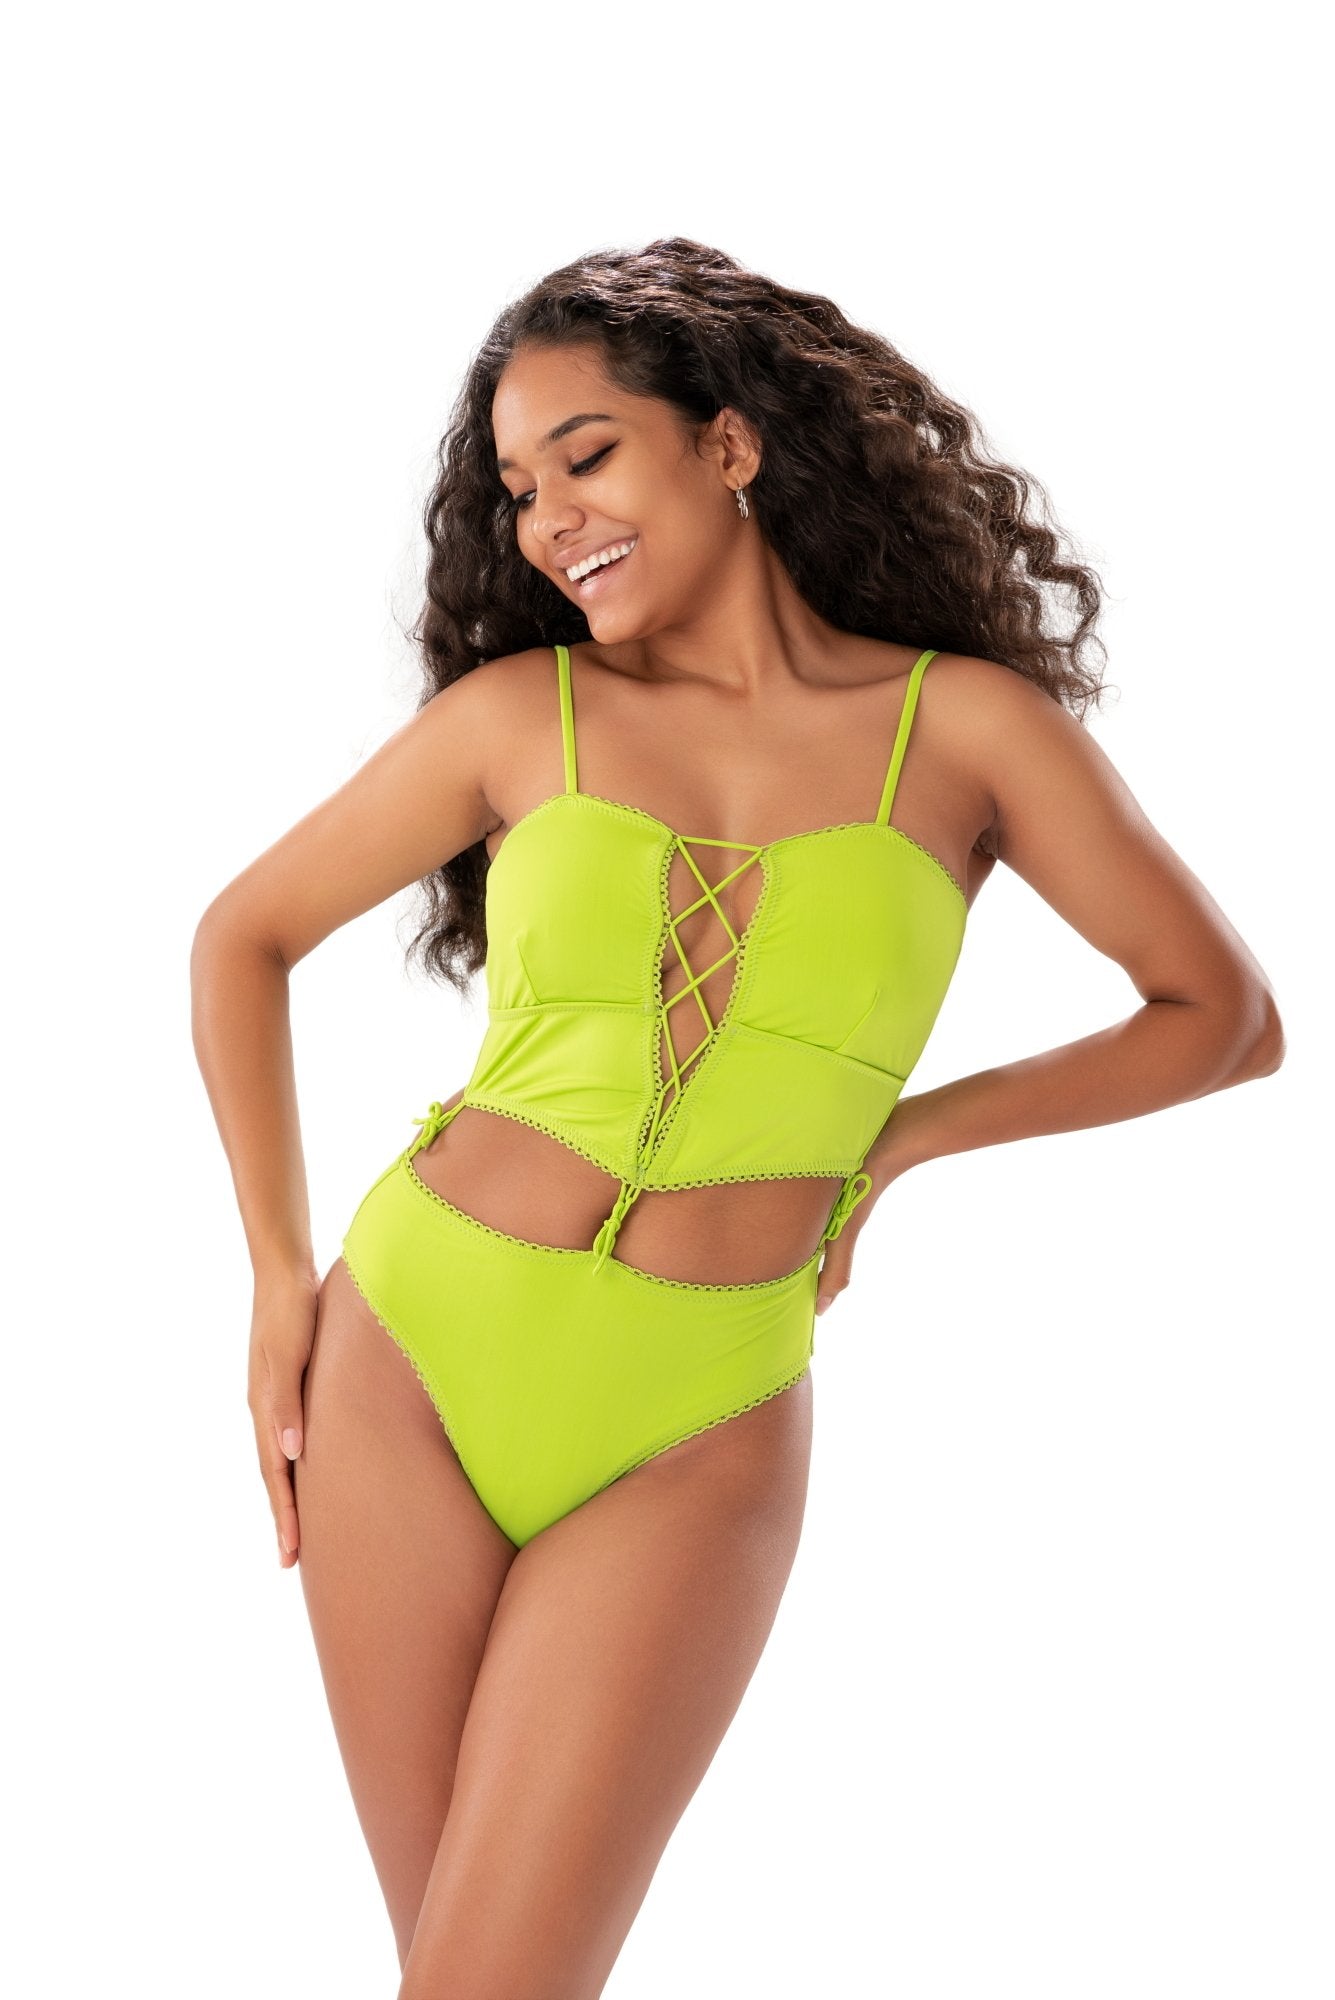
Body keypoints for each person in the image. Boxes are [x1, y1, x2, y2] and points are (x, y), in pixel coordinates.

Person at [190, 236, 1283, 1997]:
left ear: (729, 442)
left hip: (698, 1412)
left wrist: (905, 1139)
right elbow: (242, 937)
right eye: (518, 489)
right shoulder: (518, 715)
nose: (549, 520)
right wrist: (273, 1277)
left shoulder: (966, 731)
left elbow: (1220, 1018)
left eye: (587, 455)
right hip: (409, 1355)